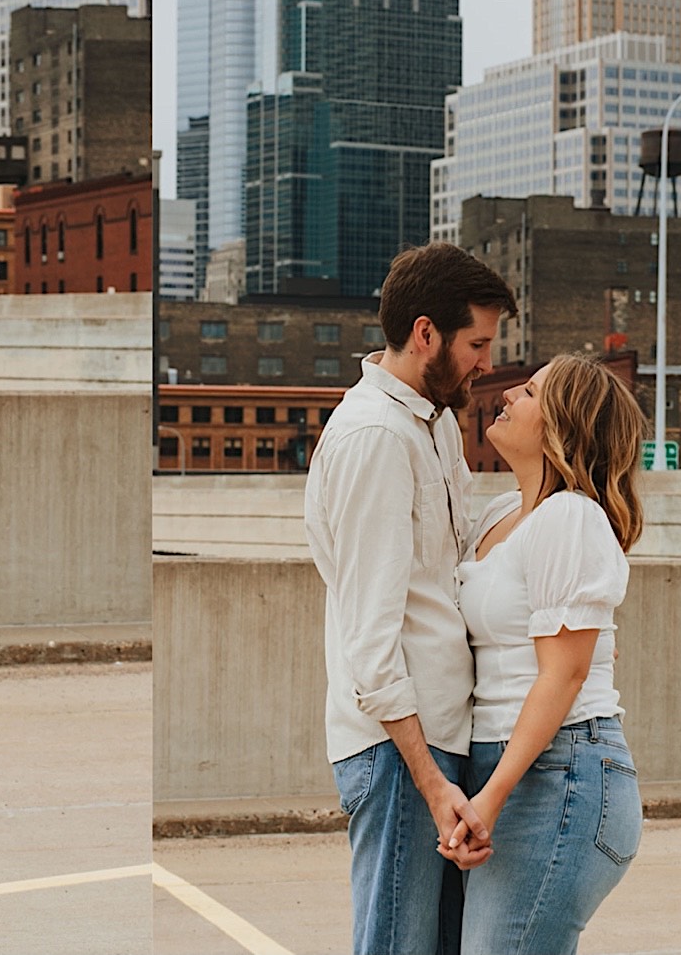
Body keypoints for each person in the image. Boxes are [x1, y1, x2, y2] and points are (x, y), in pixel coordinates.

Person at [304, 242, 518, 955]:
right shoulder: (374, 437)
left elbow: (450, 566)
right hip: (402, 754)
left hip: (436, 742)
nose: (486, 362)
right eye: (477, 343)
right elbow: (371, 635)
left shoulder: (435, 424)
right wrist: (428, 781)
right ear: (426, 333)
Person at [446, 354, 644, 954]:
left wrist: (490, 797)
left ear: (563, 425)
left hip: (560, 774)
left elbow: (564, 674)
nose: (507, 395)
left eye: (529, 392)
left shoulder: (571, 518)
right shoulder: (502, 513)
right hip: (505, 768)